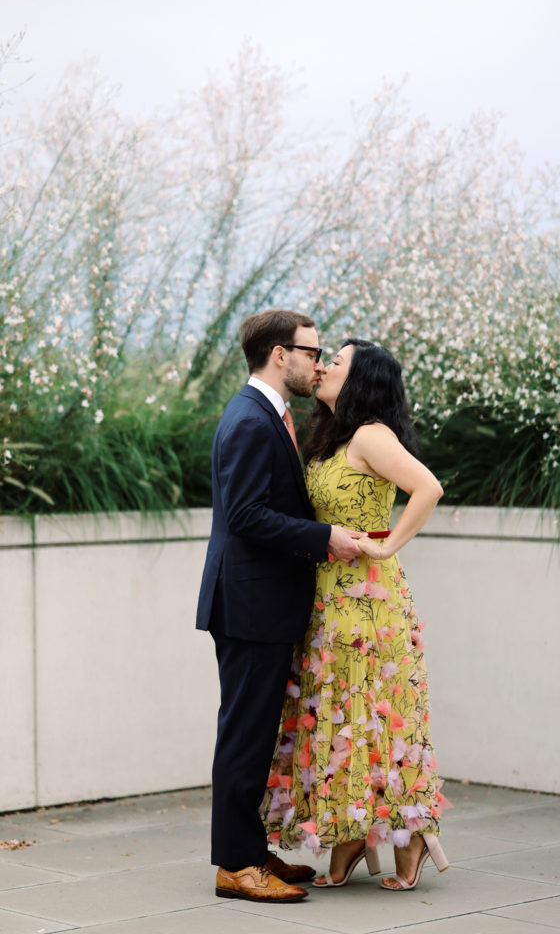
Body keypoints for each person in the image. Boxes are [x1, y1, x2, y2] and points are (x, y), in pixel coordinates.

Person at [262, 339, 449, 892]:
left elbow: (428, 487)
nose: (321, 367)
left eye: (334, 362)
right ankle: (352, 828)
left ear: (360, 378)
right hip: (326, 595)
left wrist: (387, 545)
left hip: (367, 599)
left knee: (367, 706)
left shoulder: (370, 434)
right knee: (340, 711)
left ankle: (410, 835)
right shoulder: (332, 437)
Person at [196, 310, 363, 904]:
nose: (317, 363)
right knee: (244, 734)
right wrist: (324, 539)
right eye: (311, 352)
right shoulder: (249, 419)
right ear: (278, 354)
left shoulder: (268, 415)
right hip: (247, 604)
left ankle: (248, 849)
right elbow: (243, 515)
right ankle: (236, 866)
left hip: (259, 602)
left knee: (258, 732)